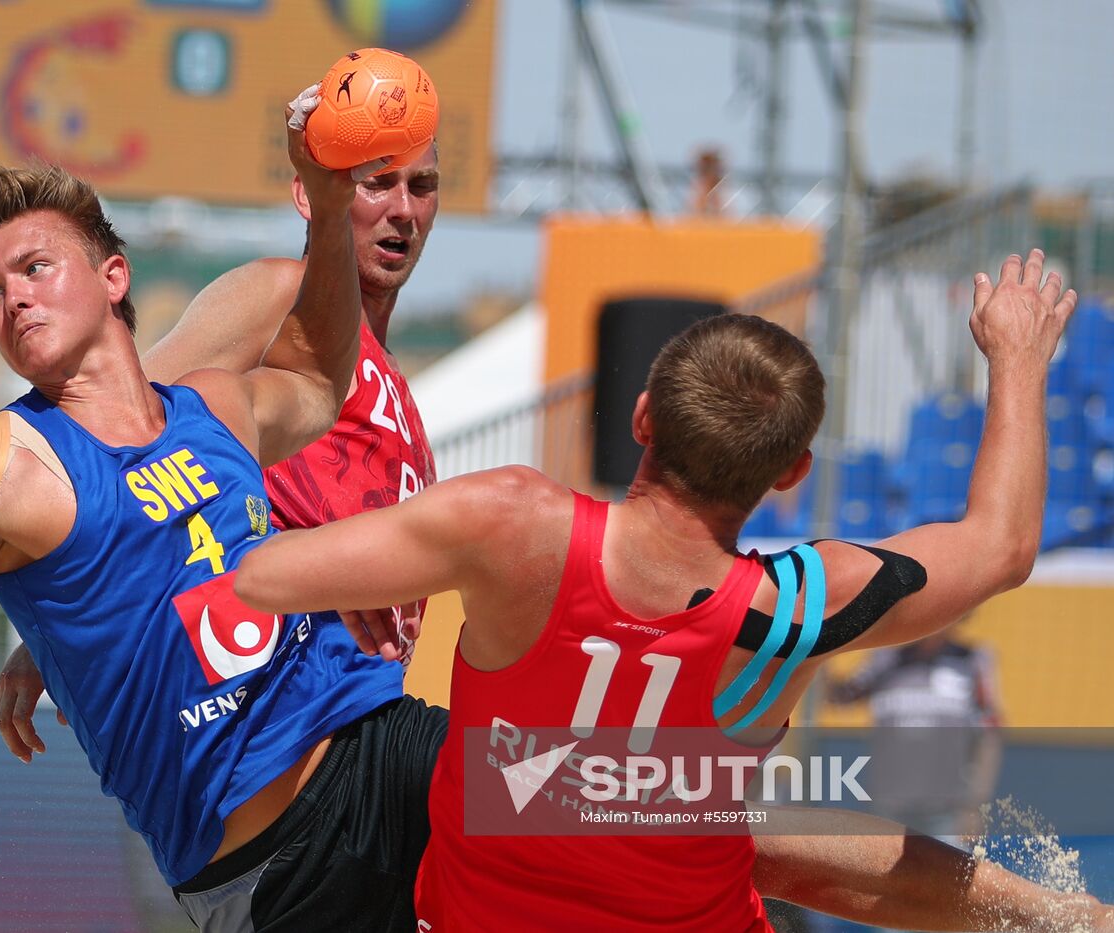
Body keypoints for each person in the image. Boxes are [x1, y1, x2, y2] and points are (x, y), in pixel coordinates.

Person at [236, 251, 1108, 930]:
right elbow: (1001, 546)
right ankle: (1065, 914)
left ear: (642, 416)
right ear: (793, 473)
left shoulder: (515, 524)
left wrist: (341, 550)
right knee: (731, 813)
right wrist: (1018, 356)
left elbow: (256, 575)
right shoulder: (800, 603)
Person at [0, 93, 448, 933]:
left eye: (35, 268)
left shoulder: (215, 407)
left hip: (386, 749)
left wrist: (330, 204)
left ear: (114, 276)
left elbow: (324, 379)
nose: (13, 300)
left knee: (618, 794)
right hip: (272, 866)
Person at [0, 137, 443, 759]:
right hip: (286, 721)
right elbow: (119, 438)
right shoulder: (280, 294)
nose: (403, 210)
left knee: (568, 799)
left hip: (359, 719)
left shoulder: (394, 382)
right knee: (561, 789)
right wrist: (58, 631)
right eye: (378, 183)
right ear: (311, 195)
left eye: (421, 187)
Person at [829, 623, 1004, 840]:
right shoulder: (885, 659)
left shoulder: (972, 661)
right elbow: (838, 696)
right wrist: (822, 648)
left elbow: (989, 738)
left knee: (946, 873)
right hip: (889, 804)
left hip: (947, 809)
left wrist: (974, 803)